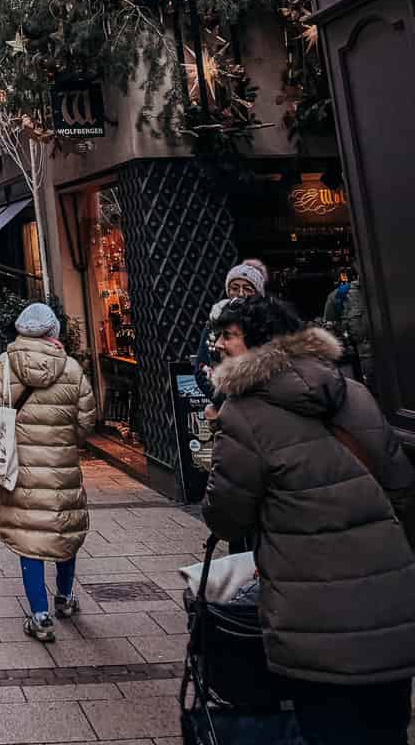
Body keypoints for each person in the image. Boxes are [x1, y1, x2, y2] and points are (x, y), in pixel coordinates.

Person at [203, 295, 415, 744]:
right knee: (387, 729)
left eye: (228, 335)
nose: (218, 344)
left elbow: (224, 515)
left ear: (260, 341)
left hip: (311, 608)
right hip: (388, 597)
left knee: (327, 727)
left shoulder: (243, 414)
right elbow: (401, 485)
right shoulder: (351, 391)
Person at [0, 302, 96, 643]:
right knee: (64, 530)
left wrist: (12, 434)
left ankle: (40, 615)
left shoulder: (4, 364)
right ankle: (64, 597)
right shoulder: (72, 369)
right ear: (53, 332)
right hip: (62, 467)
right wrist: (64, 440)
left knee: (29, 538)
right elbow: (87, 421)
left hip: (22, 468)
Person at [194, 260, 267, 401]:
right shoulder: (214, 321)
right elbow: (201, 369)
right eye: (235, 288)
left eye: (247, 288)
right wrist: (223, 401)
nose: (240, 293)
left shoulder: (268, 322)